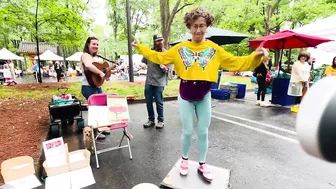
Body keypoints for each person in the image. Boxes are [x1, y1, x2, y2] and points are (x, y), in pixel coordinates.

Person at [131, 7, 268, 182]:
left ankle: (203, 164)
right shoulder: (180, 48)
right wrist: (140, 47)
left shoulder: (214, 49)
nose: (198, 30)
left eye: (202, 25)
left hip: (204, 95)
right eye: (194, 26)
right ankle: (185, 159)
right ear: (189, 26)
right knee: (187, 132)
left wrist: (255, 57)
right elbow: (160, 57)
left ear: (207, 26)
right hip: (185, 96)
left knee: (203, 132)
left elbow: (236, 62)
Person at [81, 36, 110, 139]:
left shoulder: (96, 58)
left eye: (97, 44)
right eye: (93, 44)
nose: (96, 46)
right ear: (88, 44)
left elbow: (99, 72)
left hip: (96, 86)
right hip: (88, 87)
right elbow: (88, 66)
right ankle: (94, 132)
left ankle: (100, 127)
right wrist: (100, 73)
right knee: (94, 109)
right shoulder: (85, 55)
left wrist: (107, 72)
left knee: (101, 108)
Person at [142, 34, 169, 129]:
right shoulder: (149, 52)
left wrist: (164, 67)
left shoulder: (166, 54)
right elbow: (144, 62)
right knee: (148, 102)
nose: (160, 42)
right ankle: (151, 120)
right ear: (154, 42)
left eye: (161, 40)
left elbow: (169, 68)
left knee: (159, 102)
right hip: (149, 81)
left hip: (159, 82)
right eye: (158, 41)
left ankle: (161, 121)